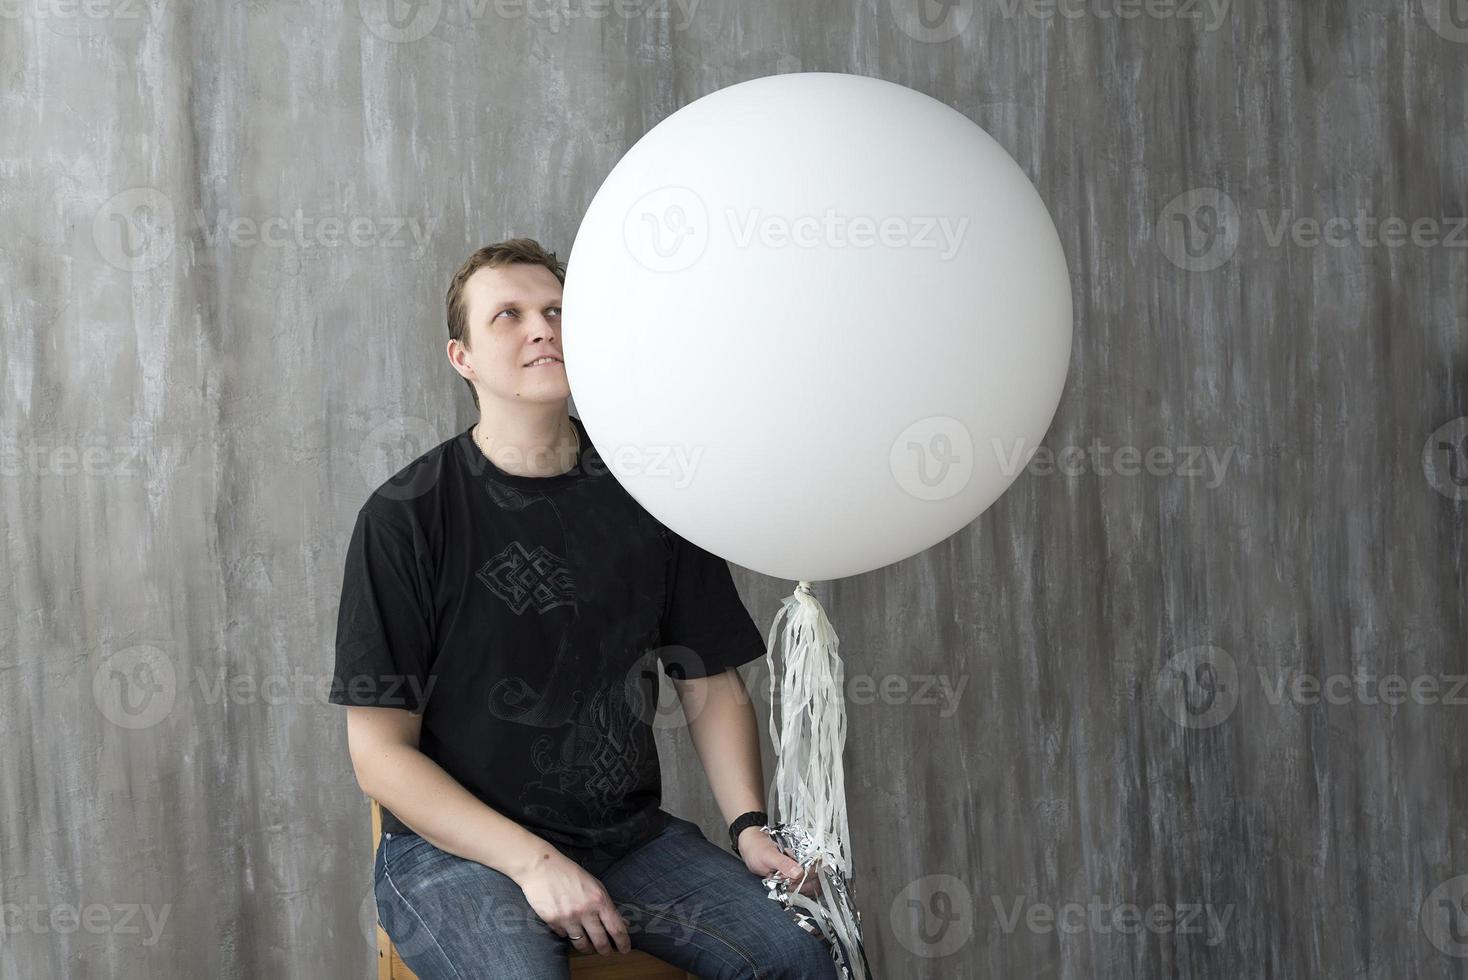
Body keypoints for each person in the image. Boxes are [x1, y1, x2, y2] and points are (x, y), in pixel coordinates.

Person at [329, 239, 838, 979]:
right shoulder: (407, 517)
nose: (542, 328)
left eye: (558, 311)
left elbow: (708, 681)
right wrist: (532, 862)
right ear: (462, 357)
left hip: (626, 841)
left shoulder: (648, 495)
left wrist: (749, 826)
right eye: (508, 315)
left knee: (796, 954)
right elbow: (379, 755)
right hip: (453, 856)